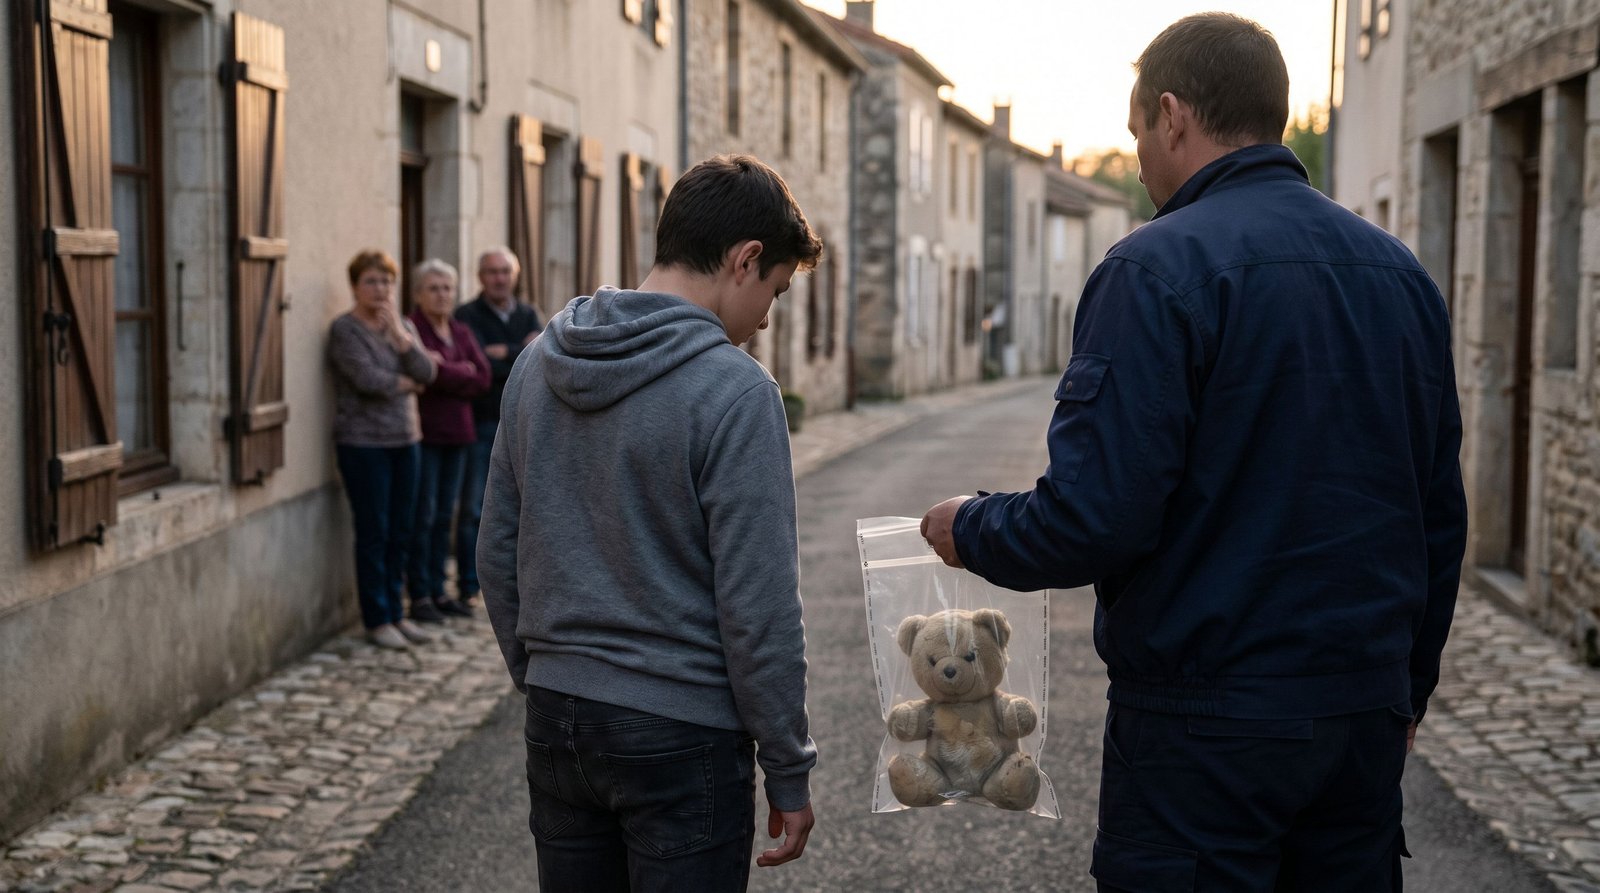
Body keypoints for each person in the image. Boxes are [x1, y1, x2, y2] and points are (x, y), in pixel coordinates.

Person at [920, 14, 1467, 892]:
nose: (1138, 159)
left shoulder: (1153, 270)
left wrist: (970, 526)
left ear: (1172, 115)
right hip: (1360, 720)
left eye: (1137, 130)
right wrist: (1409, 687)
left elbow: (1093, 518)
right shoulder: (1402, 277)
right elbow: (1438, 515)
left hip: (1204, 727)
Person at [477, 154, 821, 892]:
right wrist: (787, 766)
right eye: (775, 290)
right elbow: (759, 604)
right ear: (745, 259)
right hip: (682, 732)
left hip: (558, 720)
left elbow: (497, 548)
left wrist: (545, 676)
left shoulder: (537, 364)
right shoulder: (737, 391)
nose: (767, 317)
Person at [327, 249, 439, 650]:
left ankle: (397, 611)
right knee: (374, 531)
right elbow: (366, 379)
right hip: (363, 444)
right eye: (371, 281)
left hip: (406, 440)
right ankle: (377, 618)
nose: (380, 289)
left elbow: (428, 372)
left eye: (386, 282)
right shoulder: (345, 330)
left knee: (401, 531)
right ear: (355, 286)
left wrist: (402, 341)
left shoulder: (402, 325)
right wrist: (407, 383)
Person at [453, 247, 543, 608]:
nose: (499, 279)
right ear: (480, 277)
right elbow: (480, 371)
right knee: (474, 509)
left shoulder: (527, 313)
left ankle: (520, 584)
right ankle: (468, 585)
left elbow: (539, 363)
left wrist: (501, 352)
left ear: (515, 276)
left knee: (524, 509)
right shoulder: (466, 315)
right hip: (479, 423)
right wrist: (518, 350)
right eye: (492, 272)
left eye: (505, 271)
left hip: (522, 422)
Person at [405, 259, 491, 624]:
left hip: (460, 434)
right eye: (433, 288)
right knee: (423, 516)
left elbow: (482, 377)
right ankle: (420, 594)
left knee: (445, 517)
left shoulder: (460, 330)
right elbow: (422, 374)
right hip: (426, 435)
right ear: (418, 294)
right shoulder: (414, 330)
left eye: (447, 288)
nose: (442, 295)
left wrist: (443, 369)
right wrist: (459, 372)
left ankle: (440, 590)